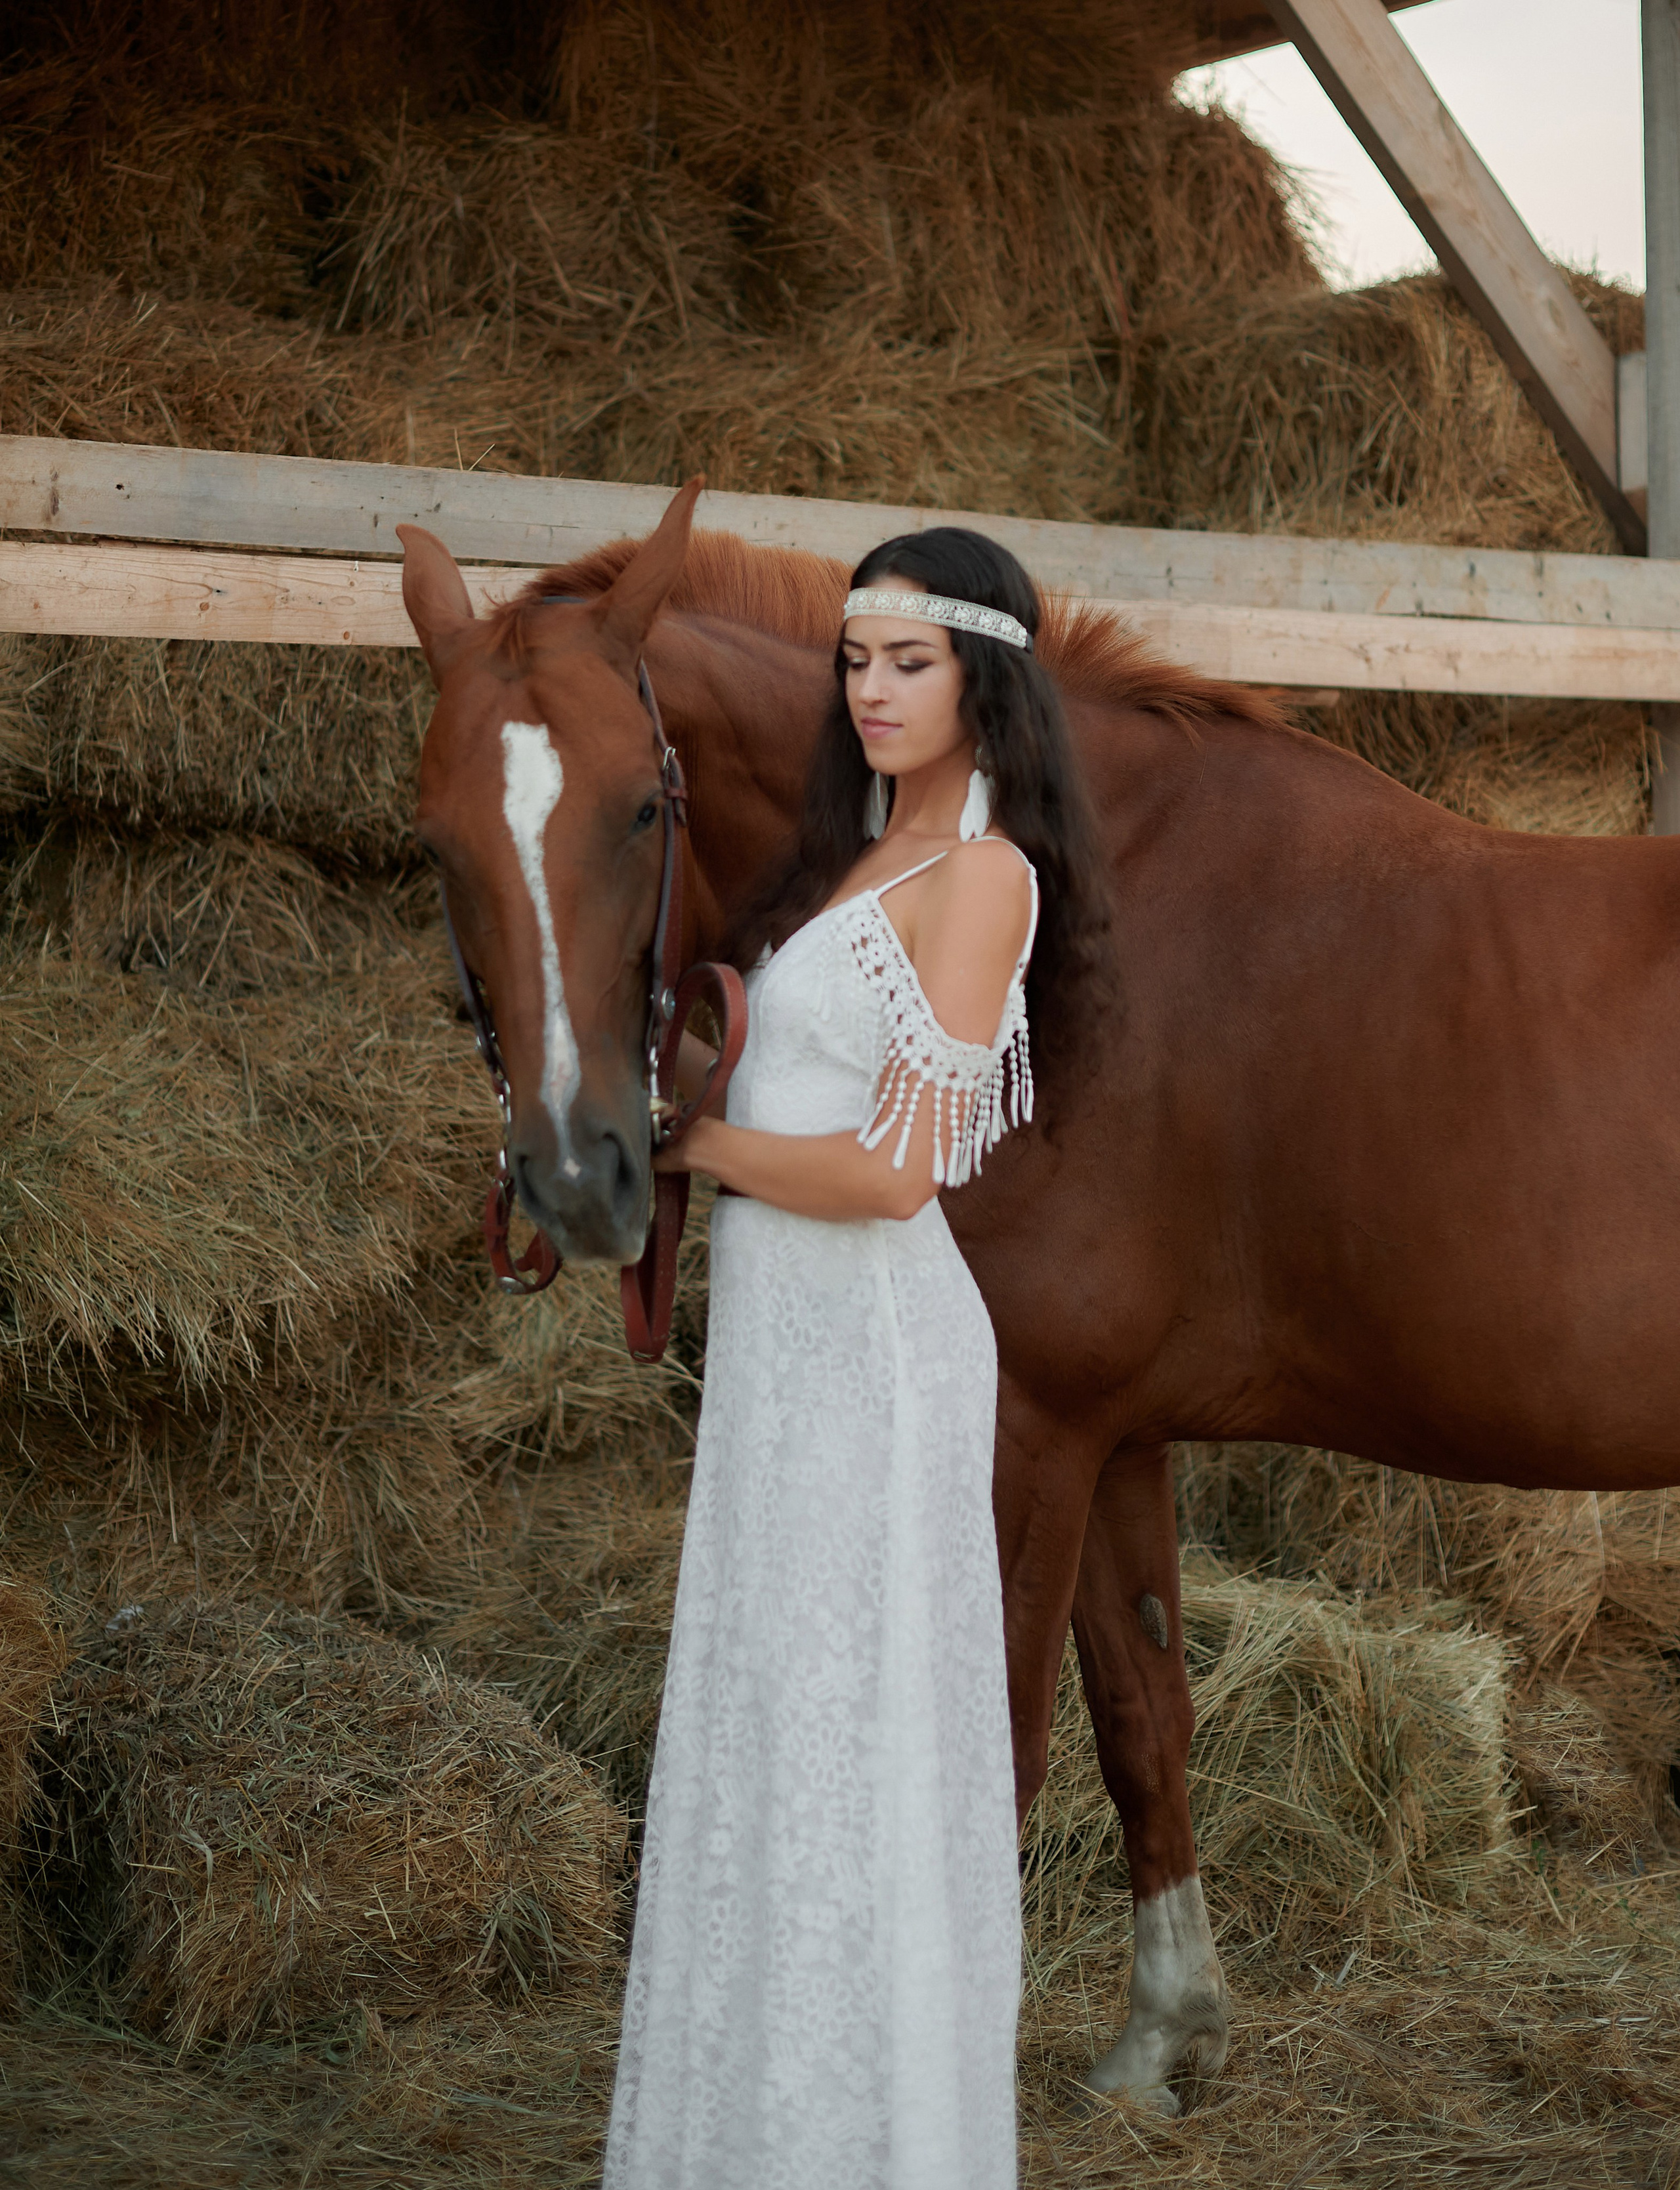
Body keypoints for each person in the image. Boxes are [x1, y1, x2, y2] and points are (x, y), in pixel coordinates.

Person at [602, 527, 1107, 2190]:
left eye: (910, 662)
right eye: (854, 661)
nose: (871, 692)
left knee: (846, 1736)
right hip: (777, 1359)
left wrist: (698, 1153)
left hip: (874, 1358)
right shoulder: (840, 864)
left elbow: (897, 1174)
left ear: (985, 680)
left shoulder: (985, 878)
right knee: (767, 1720)